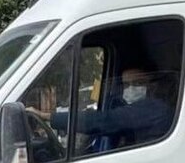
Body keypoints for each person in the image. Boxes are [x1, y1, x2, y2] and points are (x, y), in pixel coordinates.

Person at [30, 66, 175, 155]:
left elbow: (104, 120)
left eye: (138, 83)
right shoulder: (130, 107)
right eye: (126, 85)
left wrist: (48, 116)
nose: (131, 89)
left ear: (152, 85)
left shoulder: (154, 109)